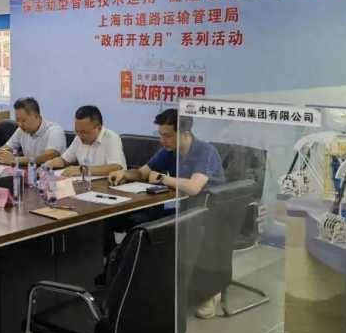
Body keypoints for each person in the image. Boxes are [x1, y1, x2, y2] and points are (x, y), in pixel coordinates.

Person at [108, 108, 225, 318]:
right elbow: (143, 172)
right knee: (140, 227)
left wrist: (163, 178)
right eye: (160, 135)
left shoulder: (204, 151)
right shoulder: (169, 150)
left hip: (209, 212)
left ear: (185, 133)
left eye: (168, 135)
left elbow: (194, 187)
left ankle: (210, 291)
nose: (163, 140)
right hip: (182, 209)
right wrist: (124, 174)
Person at [44, 105, 126, 177]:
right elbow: (64, 160)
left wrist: (82, 170)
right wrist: (49, 164)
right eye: (77, 131)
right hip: (85, 184)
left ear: (99, 128)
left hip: (108, 185)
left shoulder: (111, 138)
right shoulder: (78, 138)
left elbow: (116, 167)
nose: (80, 135)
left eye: (84, 132)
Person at [0, 97, 66, 166]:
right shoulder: (22, 129)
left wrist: (16, 160)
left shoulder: (55, 130)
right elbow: (7, 147)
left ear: (36, 116)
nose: (20, 124)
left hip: (50, 173)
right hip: (30, 171)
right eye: (17, 120)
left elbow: (48, 156)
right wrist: (0, 152)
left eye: (24, 120)